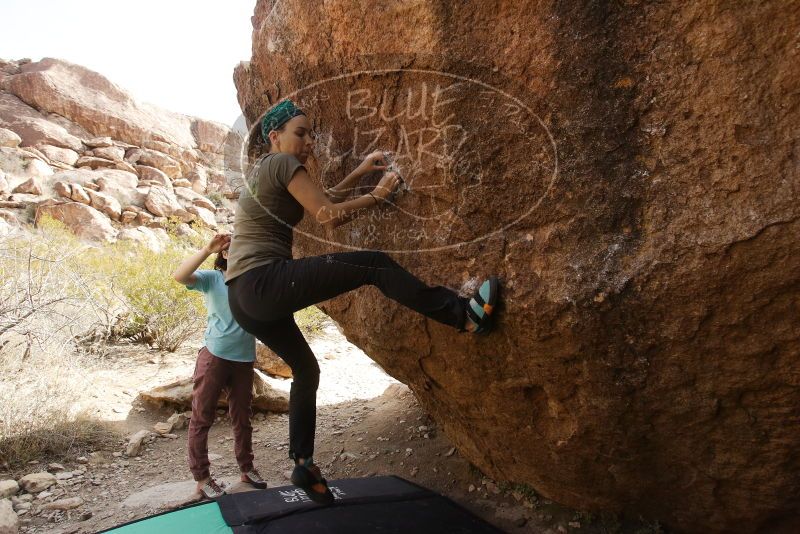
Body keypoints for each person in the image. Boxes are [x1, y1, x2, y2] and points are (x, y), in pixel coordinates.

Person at [225, 99, 499, 504]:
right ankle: (464, 316)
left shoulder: (265, 172)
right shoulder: (280, 164)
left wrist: (360, 173)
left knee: (305, 368)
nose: (308, 144)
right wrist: (380, 194)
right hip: (263, 282)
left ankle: (303, 462)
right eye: (300, 133)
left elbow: (322, 198)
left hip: (242, 299)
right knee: (374, 265)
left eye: (310, 135)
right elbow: (328, 215)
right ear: (274, 136)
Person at [173, 233, 269, 499]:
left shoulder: (251, 281)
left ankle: (247, 470)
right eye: (234, 249)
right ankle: (203, 480)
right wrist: (206, 249)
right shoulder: (213, 279)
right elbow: (179, 276)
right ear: (225, 254)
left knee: (242, 417)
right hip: (214, 356)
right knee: (202, 417)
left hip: (244, 358)